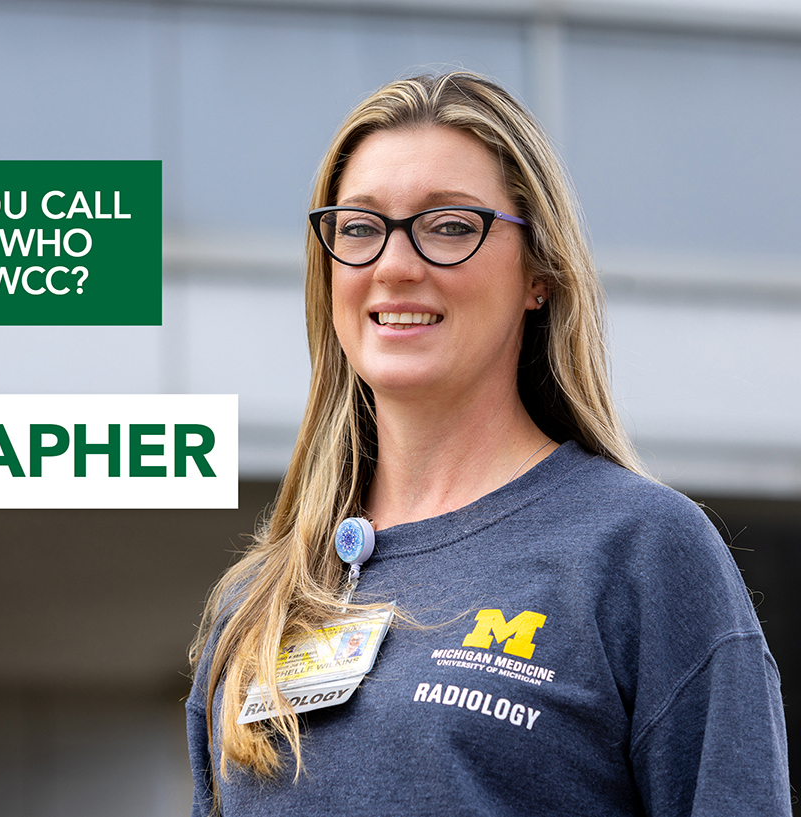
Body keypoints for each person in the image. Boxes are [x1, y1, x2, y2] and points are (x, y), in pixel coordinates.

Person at [186, 71, 789, 816]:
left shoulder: (642, 552)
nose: (394, 265)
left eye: (448, 226)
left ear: (538, 271)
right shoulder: (257, 603)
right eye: (359, 227)